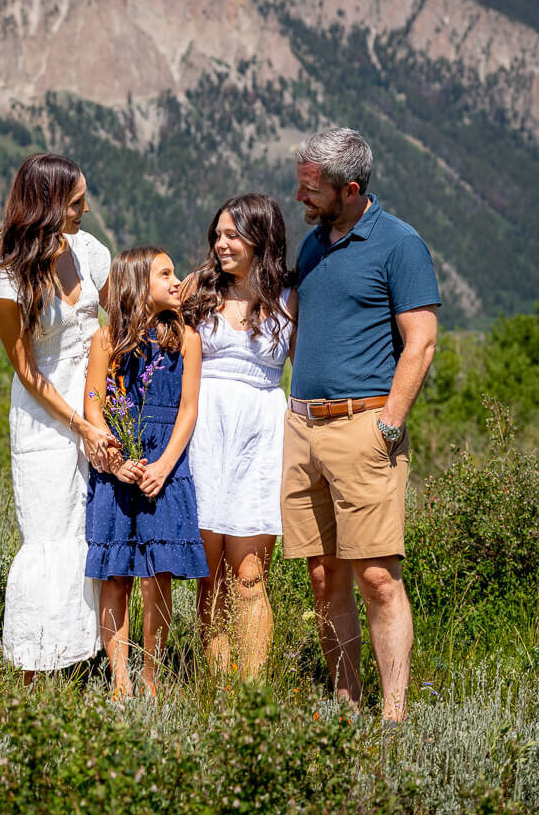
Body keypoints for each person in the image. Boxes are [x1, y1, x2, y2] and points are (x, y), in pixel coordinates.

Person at [281, 127, 440, 722]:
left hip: (364, 428)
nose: (300, 199)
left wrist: (388, 426)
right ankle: (346, 702)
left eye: (310, 190)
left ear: (350, 189)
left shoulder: (400, 244)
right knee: (324, 577)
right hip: (303, 429)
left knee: (375, 575)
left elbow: (419, 343)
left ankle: (394, 718)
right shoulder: (313, 245)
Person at [0, 153, 120, 685]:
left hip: (96, 406)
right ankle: (35, 670)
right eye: (75, 202)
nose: (84, 210)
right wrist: (79, 425)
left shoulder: (90, 253)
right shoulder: (6, 276)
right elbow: (27, 369)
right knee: (48, 533)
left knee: (91, 529)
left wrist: (103, 411)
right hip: (43, 418)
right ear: (47, 204)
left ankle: (83, 659)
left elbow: (114, 324)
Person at [84, 246, 208, 698]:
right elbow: (93, 405)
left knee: (159, 576)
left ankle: (151, 677)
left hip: (165, 469)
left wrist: (164, 465)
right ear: (137, 282)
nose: (178, 282)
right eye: (165, 274)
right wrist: (115, 462)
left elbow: (188, 411)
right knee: (116, 575)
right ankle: (120, 683)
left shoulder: (187, 339)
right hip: (119, 467)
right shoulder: (105, 339)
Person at [182, 195, 296, 678]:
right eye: (218, 234)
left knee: (249, 577)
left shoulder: (290, 297)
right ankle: (217, 691)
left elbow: (307, 366)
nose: (220, 243)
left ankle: (250, 696)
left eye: (233, 235)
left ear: (261, 239)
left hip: (261, 439)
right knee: (208, 578)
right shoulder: (198, 291)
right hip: (204, 432)